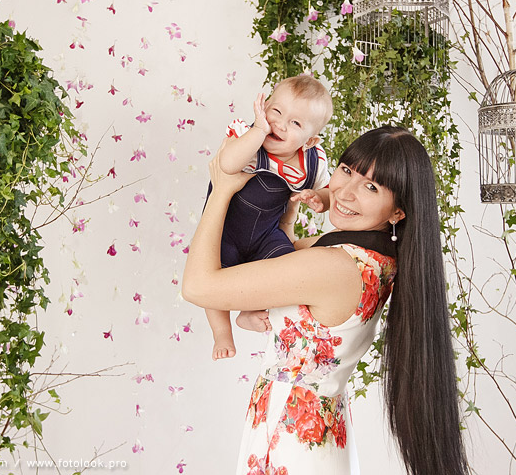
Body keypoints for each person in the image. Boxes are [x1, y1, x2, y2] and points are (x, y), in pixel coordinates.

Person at [183, 125, 469, 475]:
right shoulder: (373, 258)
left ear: (398, 211)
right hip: (310, 435)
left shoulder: (336, 266)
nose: (345, 192)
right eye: (346, 171)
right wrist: (288, 215)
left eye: (371, 187)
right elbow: (278, 265)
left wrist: (220, 192)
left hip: (290, 445)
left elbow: (197, 286)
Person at [204, 75, 333, 361]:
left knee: (286, 265)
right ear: (263, 108)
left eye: (295, 123)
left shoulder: (312, 161)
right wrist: (258, 131)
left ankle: (250, 311)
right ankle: (222, 331)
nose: (280, 124)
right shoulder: (247, 138)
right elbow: (227, 165)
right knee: (211, 273)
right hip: (225, 230)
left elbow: (327, 191)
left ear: (310, 140)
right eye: (276, 111)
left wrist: (318, 199)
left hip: (266, 234)